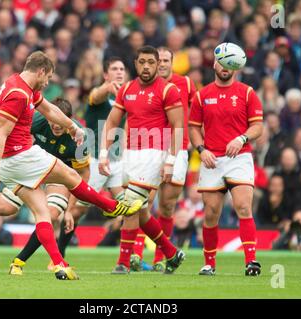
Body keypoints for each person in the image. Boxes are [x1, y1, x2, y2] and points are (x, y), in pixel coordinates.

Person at [0, 51, 142, 280]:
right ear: (40, 71)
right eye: (47, 77)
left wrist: (72, 127)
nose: (48, 82)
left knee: (42, 214)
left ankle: (57, 265)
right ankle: (111, 206)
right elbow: (1, 132)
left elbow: (49, 109)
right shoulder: (19, 94)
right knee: (68, 174)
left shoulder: (18, 85)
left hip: (15, 160)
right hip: (21, 156)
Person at [0, 98, 90, 275]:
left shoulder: (81, 137)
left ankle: (19, 261)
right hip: (33, 166)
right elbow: (7, 133)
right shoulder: (38, 119)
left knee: (50, 215)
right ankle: (1, 195)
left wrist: (70, 210)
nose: (56, 125)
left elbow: (83, 174)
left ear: (69, 120)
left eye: (61, 121)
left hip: (61, 173)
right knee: (2, 208)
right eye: (53, 120)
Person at [100, 45, 185, 274]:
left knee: (130, 206)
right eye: (142, 62)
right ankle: (172, 253)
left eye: (151, 62)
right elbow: (111, 122)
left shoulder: (168, 90)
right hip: (130, 154)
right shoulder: (126, 89)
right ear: (135, 64)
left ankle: (123, 262)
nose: (146, 66)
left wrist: (170, 160)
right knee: (141, 211)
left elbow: (178, 127)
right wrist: (104, 153)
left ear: (158, 64)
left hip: (155, 154)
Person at [189, 53, 264, 276]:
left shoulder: (247, 93)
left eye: (229, 64)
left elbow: (257, 127)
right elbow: (193, 127)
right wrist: (201, 150)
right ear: (214, 64)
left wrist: (241, 138)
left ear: (236, 67)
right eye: (221, 62)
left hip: (239, 157)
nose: (225, 67)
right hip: (212, 159)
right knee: (211, 213)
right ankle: (209, 263)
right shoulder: (202, 95)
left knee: (243, 206)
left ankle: (251, 261)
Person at [131, 47, 196, 272]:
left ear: (171, 62)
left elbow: (195, 113)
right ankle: (136, 255)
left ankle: (161, 258)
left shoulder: (185, 84)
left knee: (167, 207)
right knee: (143, 201)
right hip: (152, 147)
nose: (163, 65)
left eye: (167, 60)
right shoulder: (145, 86)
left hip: (177, 151)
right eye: (160, 61)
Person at [57, 57, 127, 257]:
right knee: (78, 211)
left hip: (116, 161)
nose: (119, 72)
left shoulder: (124, 98)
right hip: (95, 160)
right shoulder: (100, 95)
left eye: (122, 68)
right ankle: (59, 254)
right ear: (106, 74)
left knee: (131, 207)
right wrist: (107, 88)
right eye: (114, 68)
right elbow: (95, 96)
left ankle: (131, 257)